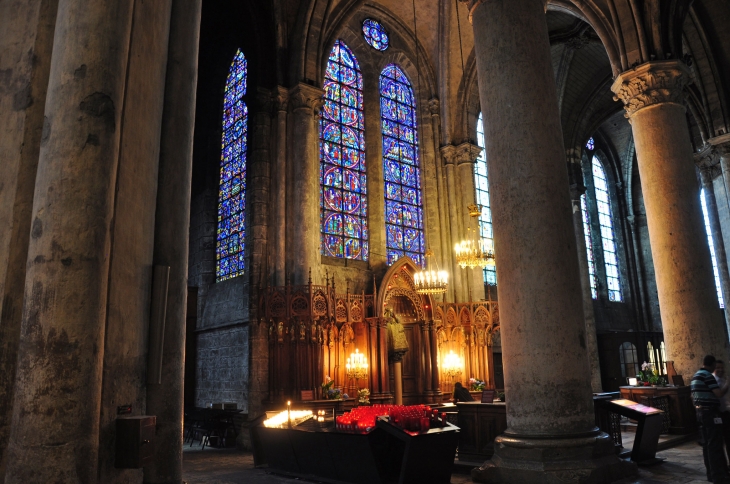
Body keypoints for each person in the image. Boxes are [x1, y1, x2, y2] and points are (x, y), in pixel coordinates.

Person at [692, 355, 730, 483]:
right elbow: (719, 394)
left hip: (700, 412)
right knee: (715, 445)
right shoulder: (707, 376)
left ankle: (712, 474)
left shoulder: (696, 375)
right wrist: (728, 385)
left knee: (707, 445)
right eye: (716, 366)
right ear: (712, 364)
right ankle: (718, 475)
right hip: (710, 413)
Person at [715, 360, 730, 467]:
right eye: (718, 368)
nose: (720, 370)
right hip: (720, 414)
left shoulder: (722, 379)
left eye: (722, 367)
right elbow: (720, 394)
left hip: (726, 411)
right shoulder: (714, 381)